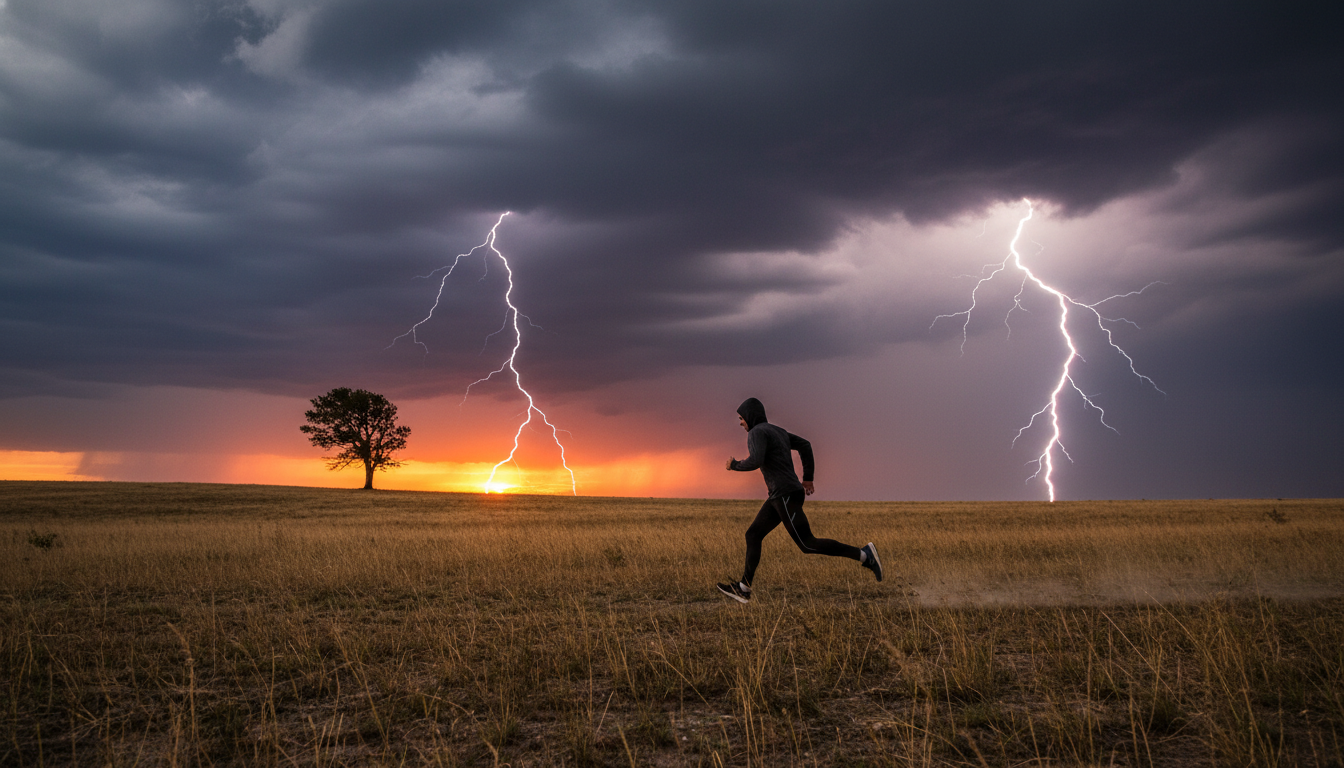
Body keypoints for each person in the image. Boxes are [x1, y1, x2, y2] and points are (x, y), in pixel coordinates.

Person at [717, 397, 881, 603]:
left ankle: (865, 555)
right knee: (753, 534)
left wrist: (735, 465)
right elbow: (805, 444)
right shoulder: (777, 431)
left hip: (784, 494)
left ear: (750, 416)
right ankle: (743, 588)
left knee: (807, 544)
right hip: (781, 495)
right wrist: (808, 478)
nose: (740, 422)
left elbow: (756, 460)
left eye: (741, 418)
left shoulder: (757, 432)